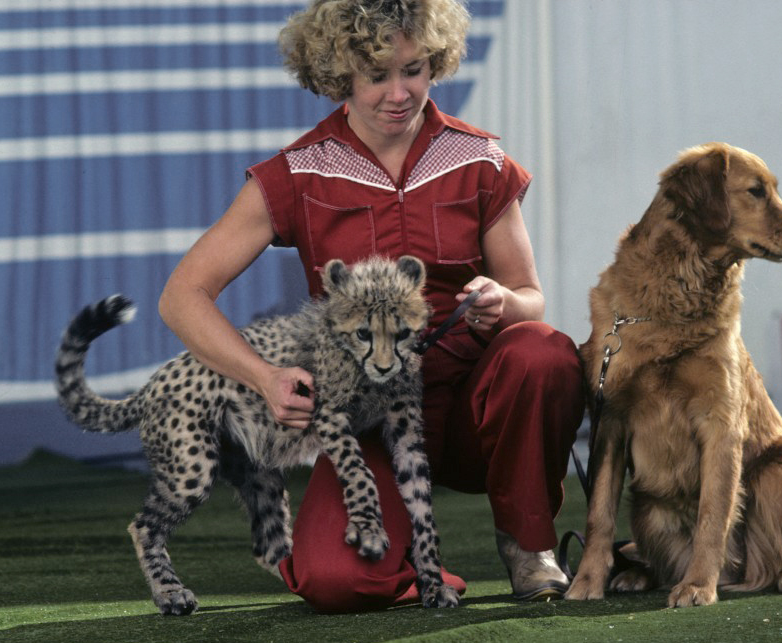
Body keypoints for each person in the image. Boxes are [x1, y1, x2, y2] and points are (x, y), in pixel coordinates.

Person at [159, 0, 584, 612]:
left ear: (435, 62)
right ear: (339, 75)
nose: (398, 92)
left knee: (542, 352)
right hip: (368, 425)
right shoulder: (298, 172)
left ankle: (528, 544)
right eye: (377, 74)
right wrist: (265, 376)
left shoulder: (479, 160)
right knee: (336, 583)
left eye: (412, 70)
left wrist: (501, 300)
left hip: (473, 410)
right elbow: (182, 296)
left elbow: (531, 299)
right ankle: (415, 564)